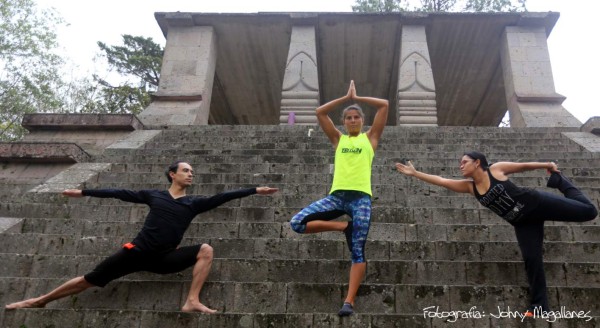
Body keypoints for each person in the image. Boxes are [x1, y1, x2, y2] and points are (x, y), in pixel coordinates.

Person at [5, 161, 278, 313]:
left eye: (193, 171)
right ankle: (39, 300)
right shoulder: (154, 195)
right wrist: (84, 192)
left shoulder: (193, 204)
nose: (191, 174)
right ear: (173, 174)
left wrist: (254, 190)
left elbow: (222, 197)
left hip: (164, 259)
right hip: (135, 253)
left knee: (205, 249)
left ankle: (192, 300)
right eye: (186, 170)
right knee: (89, 280)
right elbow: (119, 192)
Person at [394, 151, 598, 316]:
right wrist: (416, 173)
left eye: (464, 162)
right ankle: (539, 307)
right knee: (532, 260)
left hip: (537, 204)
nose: (461, 165)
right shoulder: (470, 188)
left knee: (589, 211)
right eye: (460, 163)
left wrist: (547, 165)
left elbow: (523, 166)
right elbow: (441, 180)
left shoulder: (495, 169)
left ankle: (561, 182)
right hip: (523, 223)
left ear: (477, 162)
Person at [290, 80, 389, 316]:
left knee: (358, 250)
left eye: (356, 117)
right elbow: (319, 112)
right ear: (343, 122)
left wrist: (359, 98)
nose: (353, 120)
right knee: (297, 223)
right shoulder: (338, 139)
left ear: (362, 121)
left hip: (361, 199)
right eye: (348, 118)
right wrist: (346, 99)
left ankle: (349, 301)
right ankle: (343, 226)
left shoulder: (370, 138)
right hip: (337, 198)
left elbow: (384, 106)